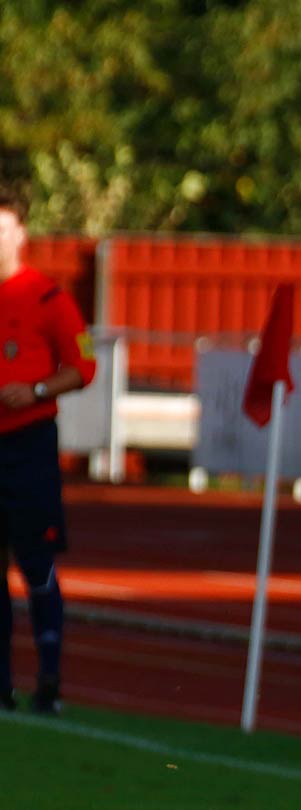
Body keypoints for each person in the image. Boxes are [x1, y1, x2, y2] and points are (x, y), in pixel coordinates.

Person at [0, 183, 96, 715]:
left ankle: (50, 679)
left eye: (2, 230)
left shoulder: (48, 298)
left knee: (35, 562)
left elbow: (83, 366)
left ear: (21, 234)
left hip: (29, 444)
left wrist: (34, 390)